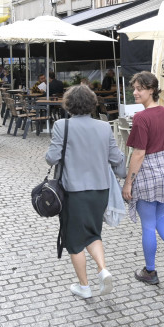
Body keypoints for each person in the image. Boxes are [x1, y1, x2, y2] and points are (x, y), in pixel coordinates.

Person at [45, 85, 126, 299]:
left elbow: (51, 158)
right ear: (92, 103)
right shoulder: (103, 127)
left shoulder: (62, 125)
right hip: (100, 191)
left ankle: (84, 286)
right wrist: (128, 177)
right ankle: (103, 269)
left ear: (69, 104)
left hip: (74, 192)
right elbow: (117, 159)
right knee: (93, 233)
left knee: (74, 240)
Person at [123, 71, 164, 285]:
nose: (135, 92)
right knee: (160, 216)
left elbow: (139, 154)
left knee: (148, 225)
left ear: (152, 90)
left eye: (139, 89)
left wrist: (128, 182)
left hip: (149, 171)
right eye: (134, 88)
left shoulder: (141, 118)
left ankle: (150, 271)